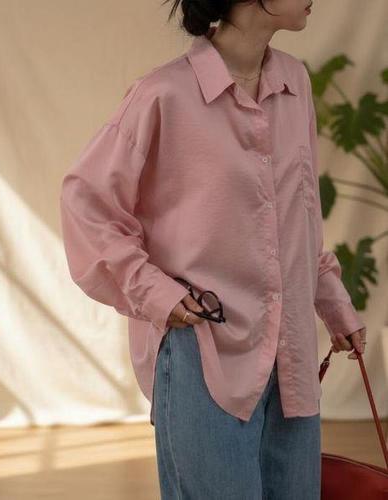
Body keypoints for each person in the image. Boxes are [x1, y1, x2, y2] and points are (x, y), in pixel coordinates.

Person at [60, 0, 368, 498]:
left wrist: (332, 303)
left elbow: (301, 214)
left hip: (290, 354)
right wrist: (158, 294)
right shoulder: (163, 95)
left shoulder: (294, 83)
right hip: (204, 350)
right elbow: (87, 204)